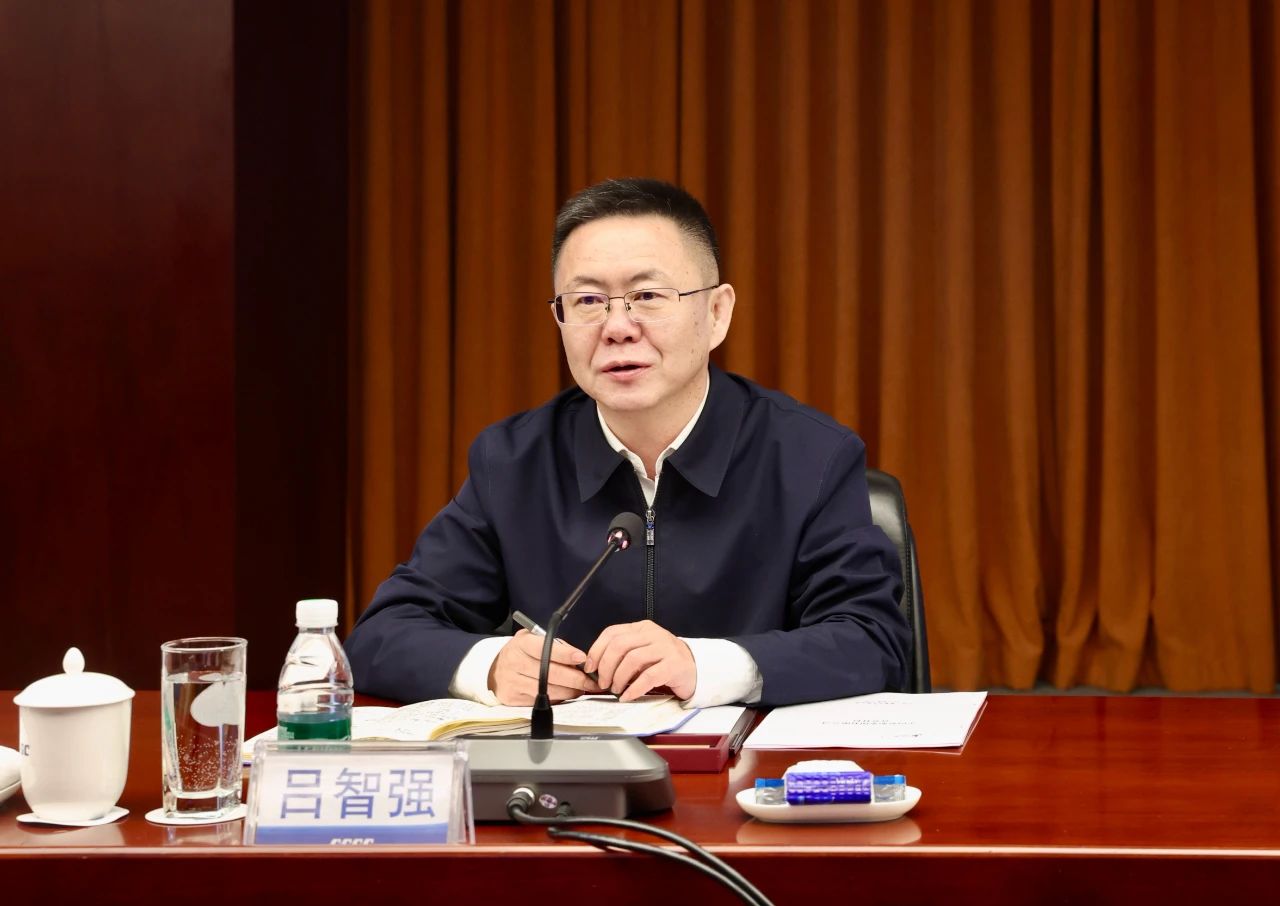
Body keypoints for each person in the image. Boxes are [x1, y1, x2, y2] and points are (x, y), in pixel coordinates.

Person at [346, 177, 909, 709]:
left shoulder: (809, 456)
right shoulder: (515, 463)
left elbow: (872, 639)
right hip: (568, 773)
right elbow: (381, 636)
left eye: (647, 295)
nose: (617, 327)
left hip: (748, 771)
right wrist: (491, 666)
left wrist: (705, 666)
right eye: (588, 302)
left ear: (717, 313)